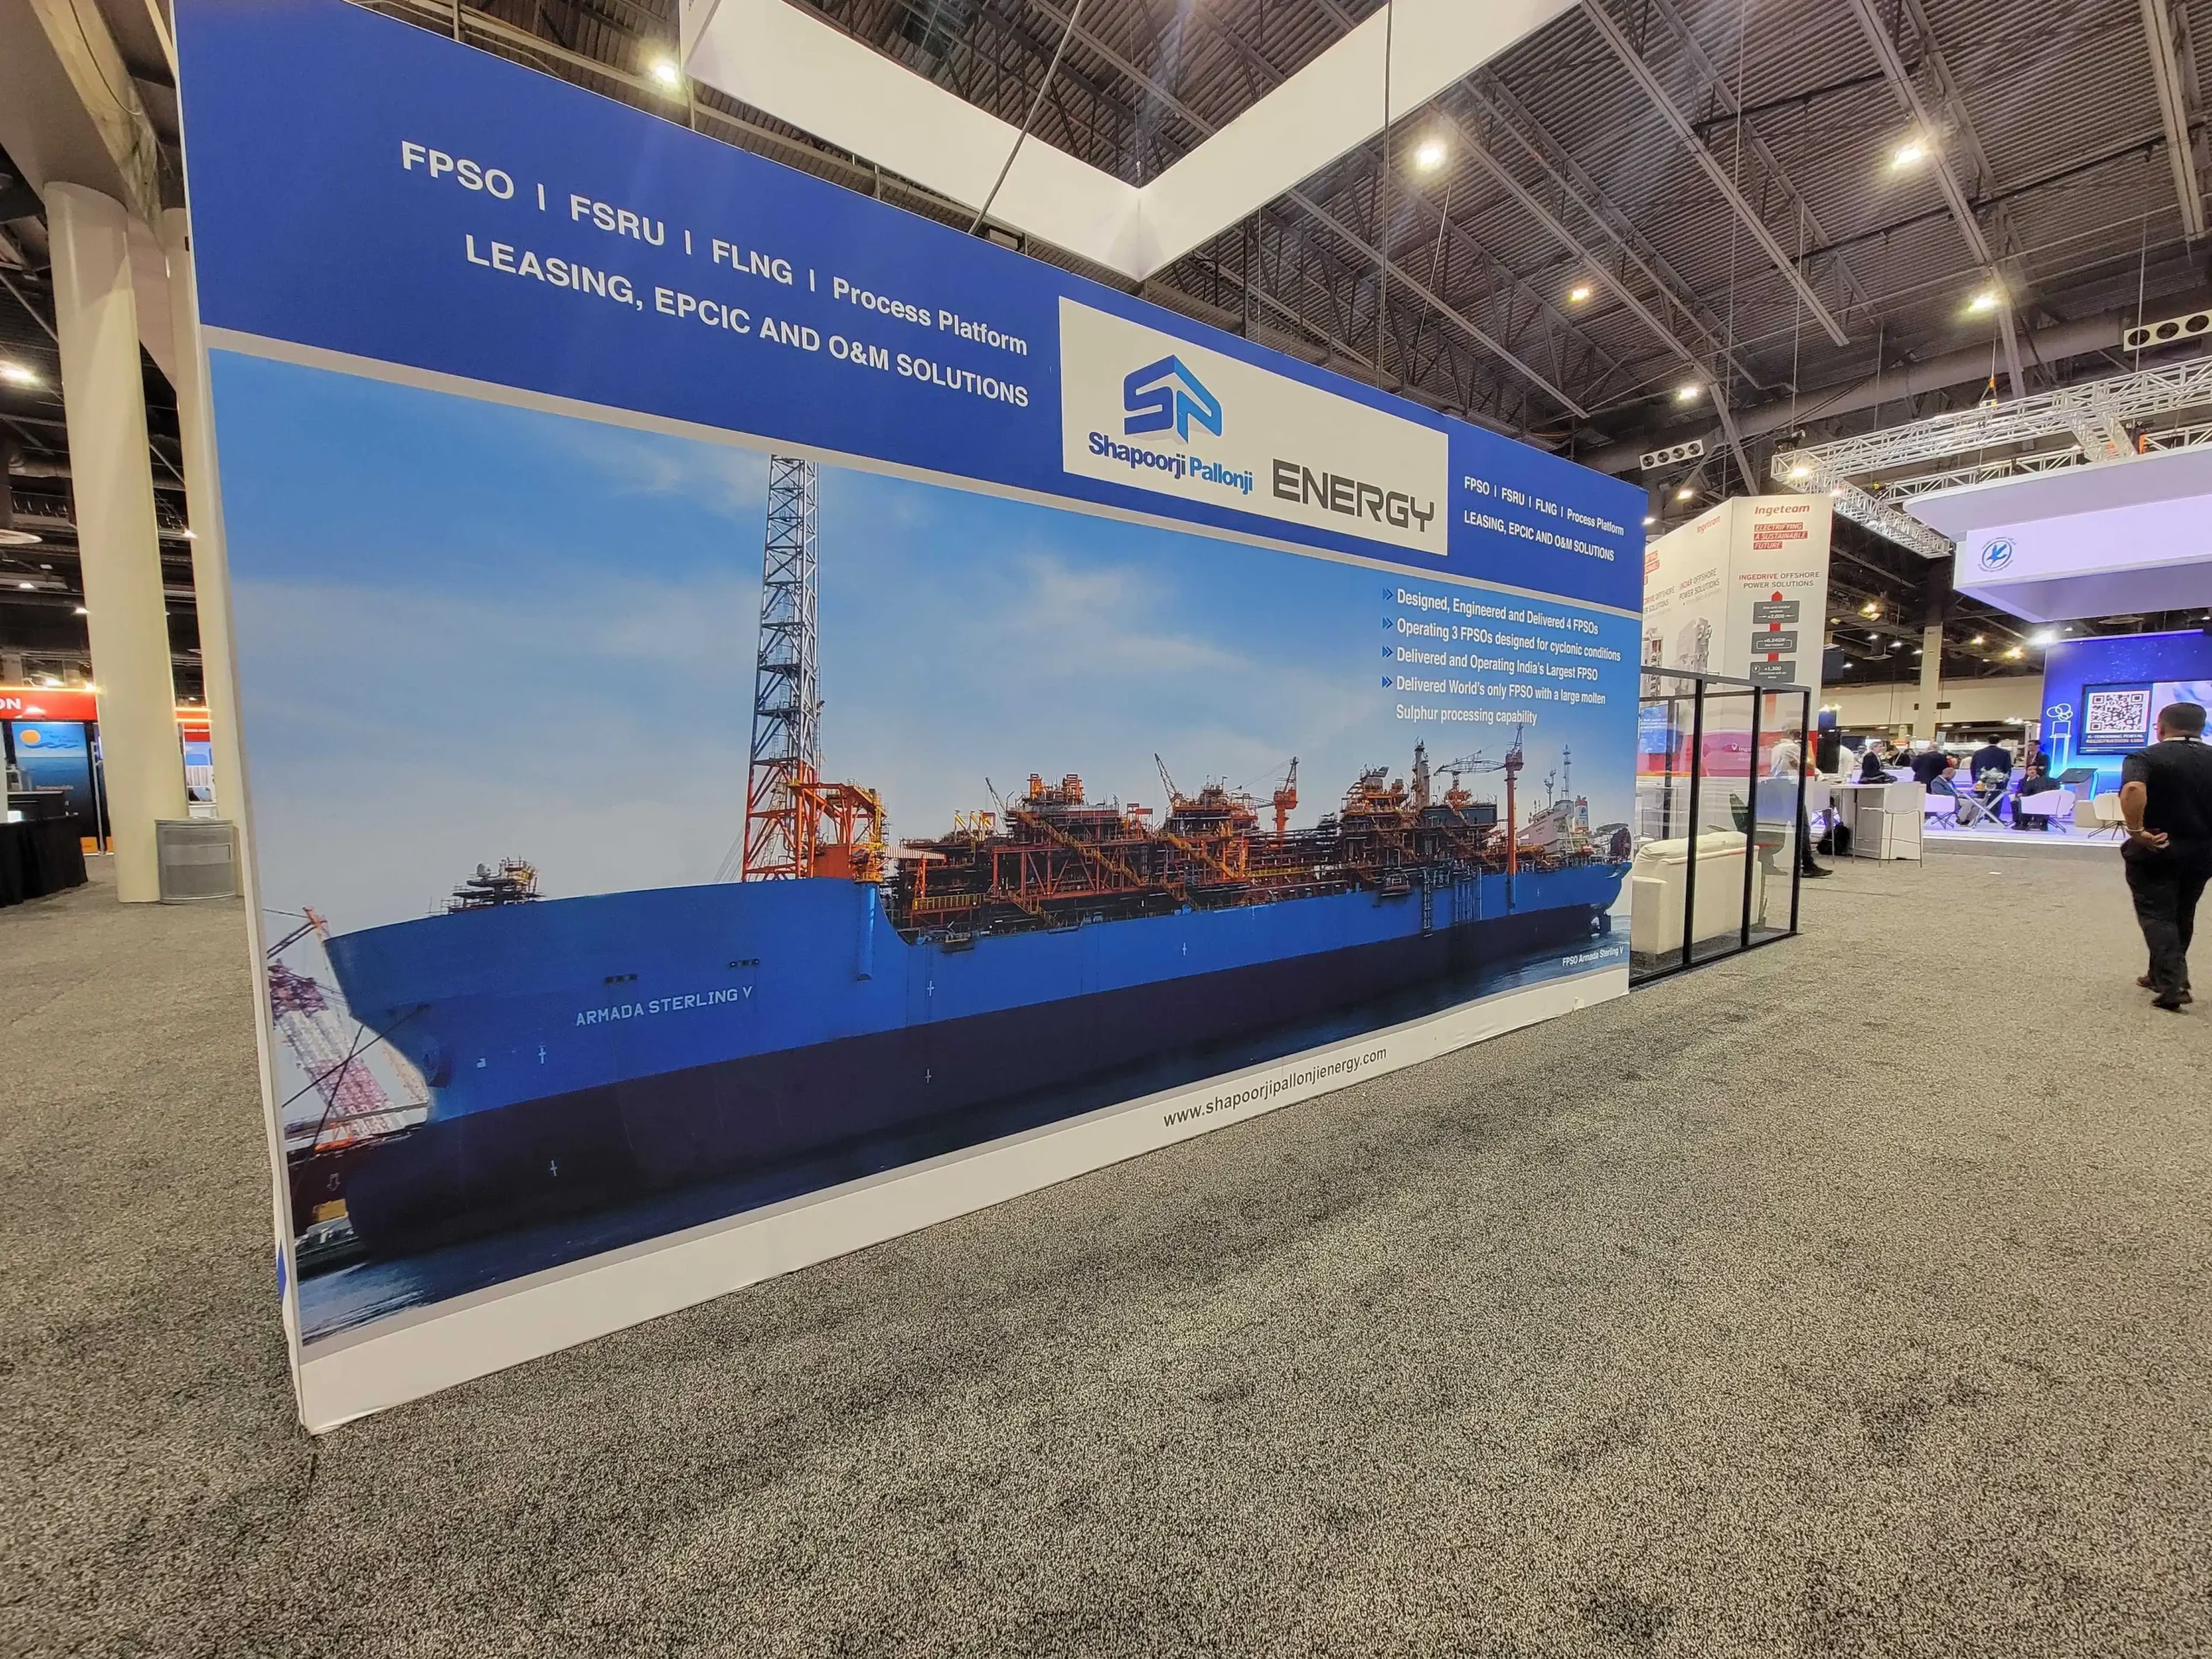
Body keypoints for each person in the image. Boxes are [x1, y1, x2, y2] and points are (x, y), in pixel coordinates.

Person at [2120, 701, 2212, 1012]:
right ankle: (2158, 975)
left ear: (2160, 727)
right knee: (2183, 911)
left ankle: (2174, 983)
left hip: (2158, 845)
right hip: (2203, 850)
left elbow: (2133, 789)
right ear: (2201, 727)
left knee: (2157, 914)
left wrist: (2136, 830)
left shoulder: (2146, 756)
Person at [1769, 732, 1828, 878]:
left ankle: (1767, 861)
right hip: (1789, 788)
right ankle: (1807, 865)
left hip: (1778, 786)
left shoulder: (1777, 748)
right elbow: (1810, 766)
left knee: (1778, 827)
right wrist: (1809, 747)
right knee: (1803, 827)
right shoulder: (1792, 748)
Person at [2012, 757, 2061, 831]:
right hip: (2025, 799)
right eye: (2030, 770)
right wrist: (2019, 794)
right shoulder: (2022, 781)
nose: (2032, 771)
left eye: (2034, 769)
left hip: (2039, 800)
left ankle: (2040, 823)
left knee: (2035, 803)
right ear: (2026, 771)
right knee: (2015, 803)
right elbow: (2018, 791)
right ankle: (2018, 823)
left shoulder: (2044, 781)